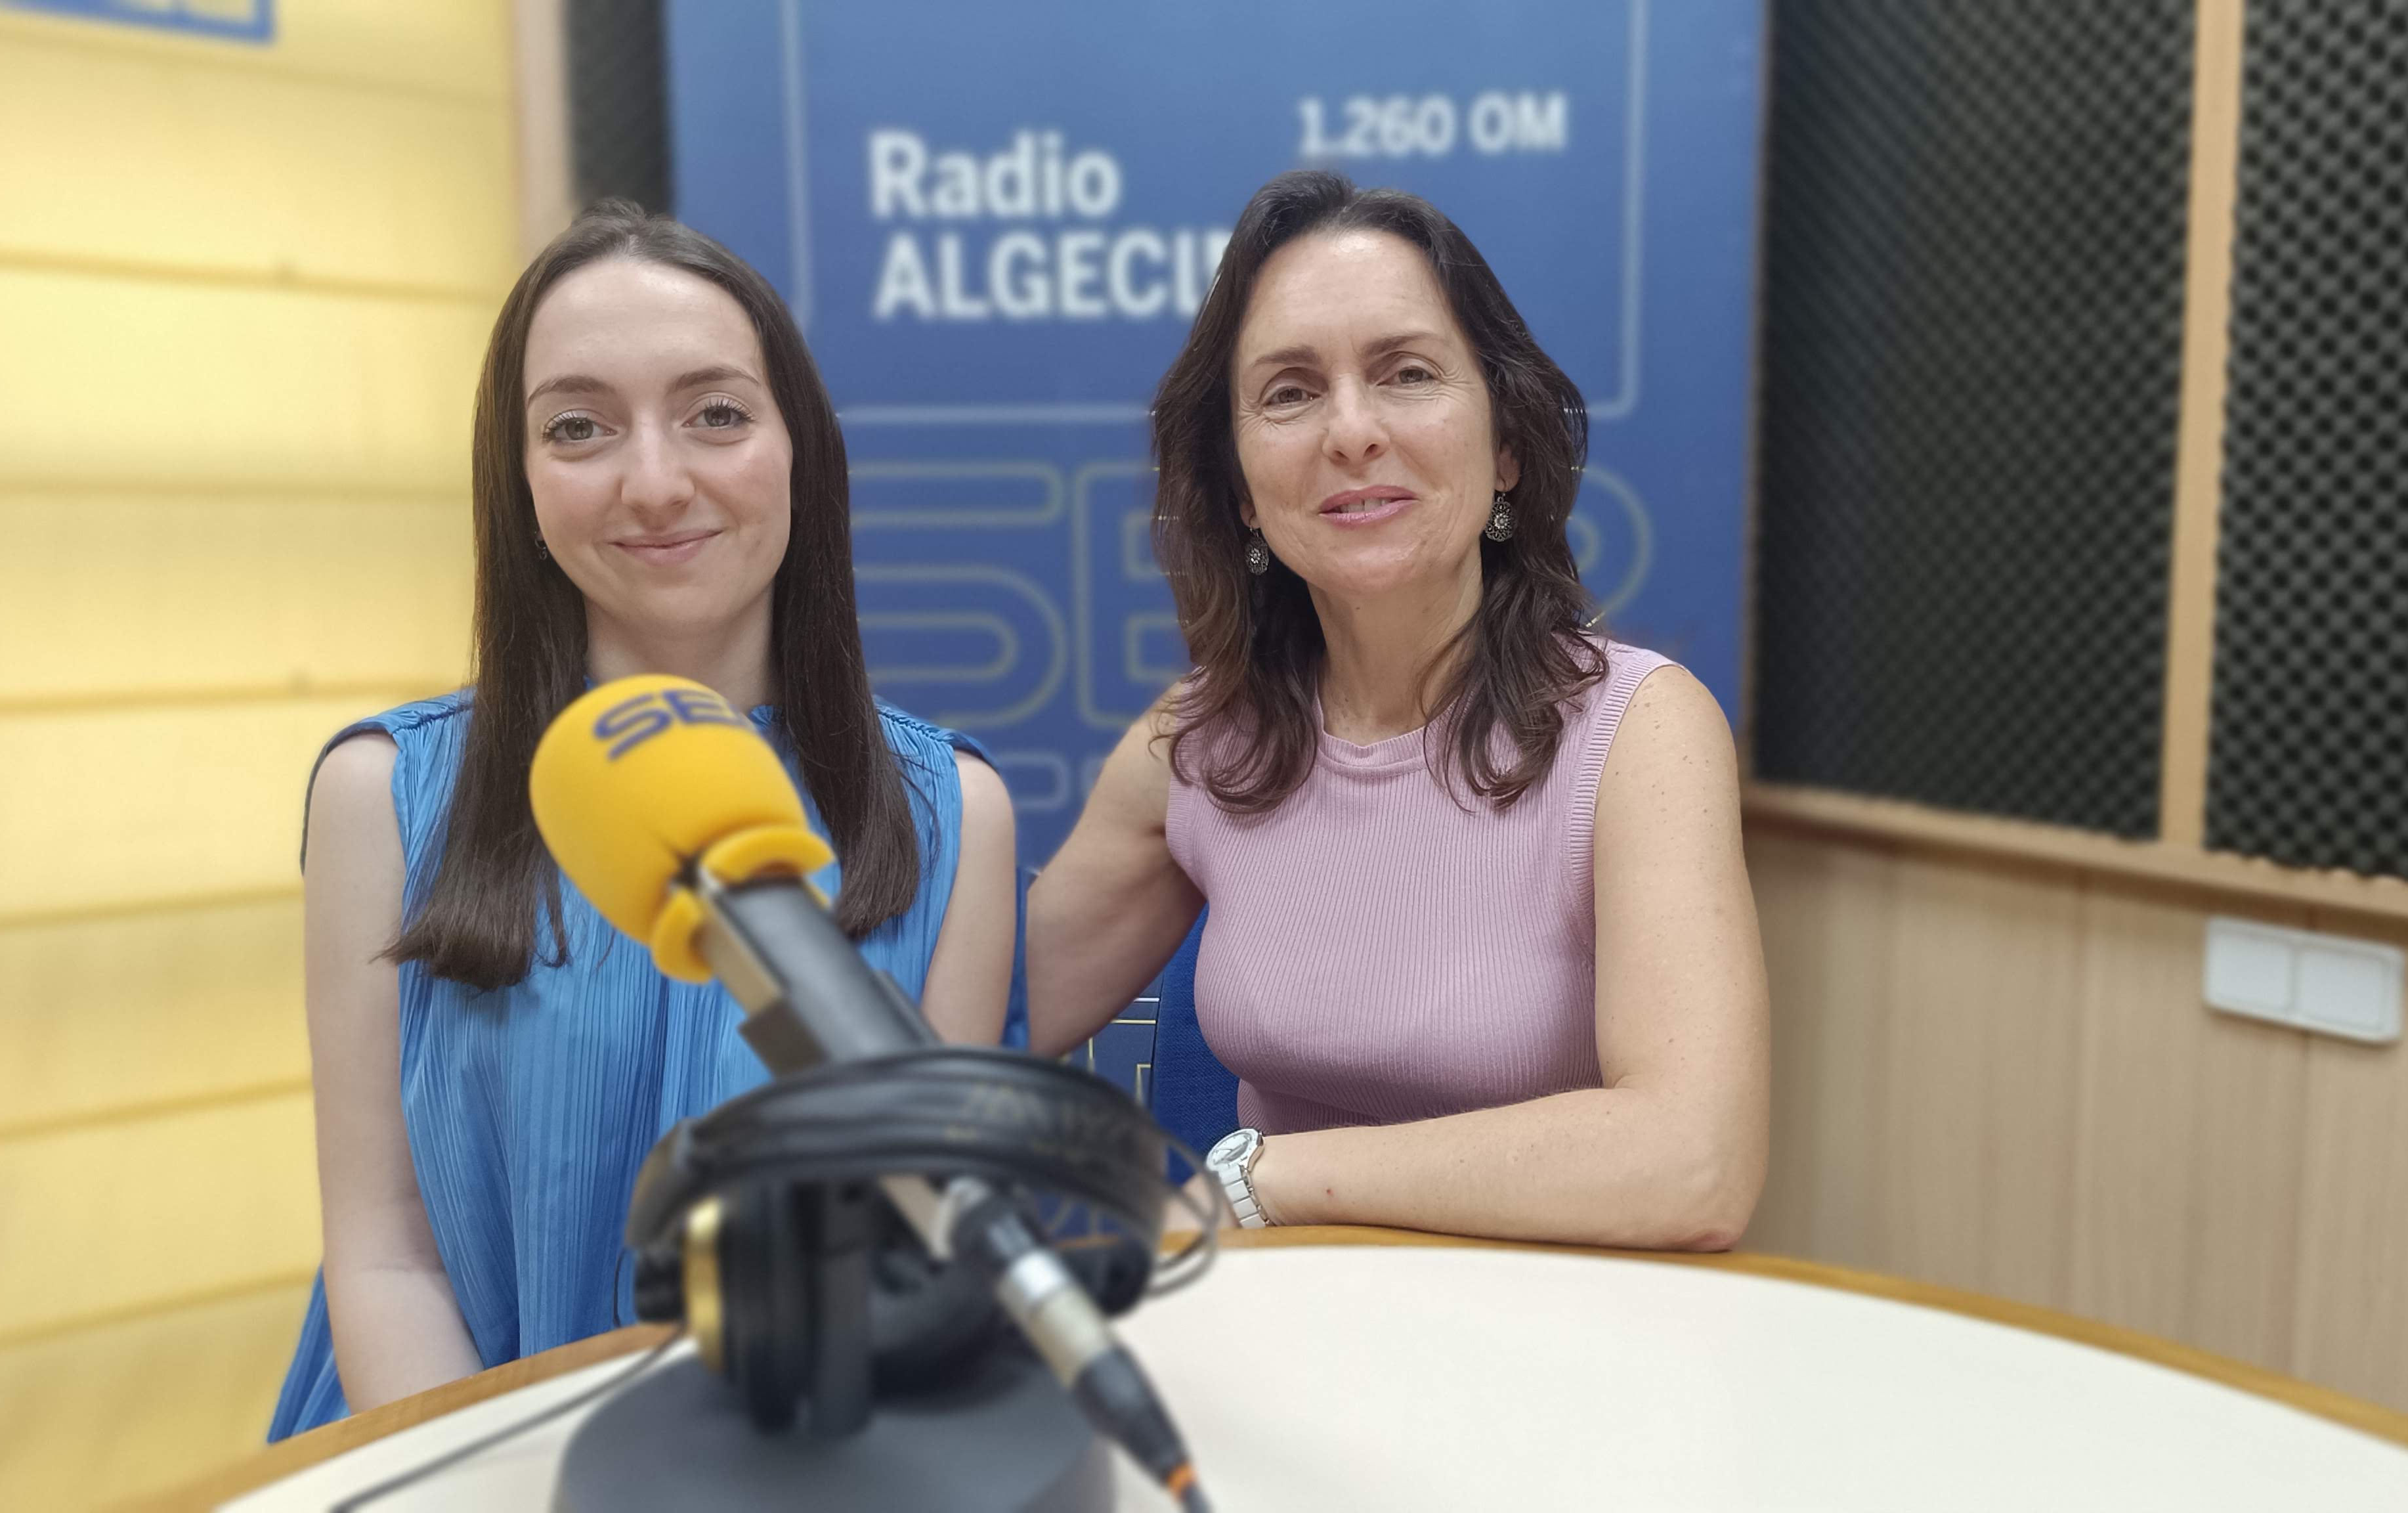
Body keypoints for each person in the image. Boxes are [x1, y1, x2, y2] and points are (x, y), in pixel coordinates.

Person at [269, 202, 1016, 1436]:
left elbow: (915, 1250)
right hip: (442, 1458)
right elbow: (387, 1252)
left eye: (717, 414)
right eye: (579, 428)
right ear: (517, 479)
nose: (656, 483)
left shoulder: (951, 816)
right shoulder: (381, 797)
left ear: (799, 451)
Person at [1026, 171, 1767, 1252]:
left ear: (1506, 443)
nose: (1352, 431)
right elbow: (962, 1036)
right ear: (1240, 486)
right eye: (1289, 393)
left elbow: (1694, 1164)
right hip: (1282, 1348)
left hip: (1568, 1361)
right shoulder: (1193, 747)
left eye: (1407, 374)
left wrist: (1271, 1177)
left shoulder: (1640, 732)